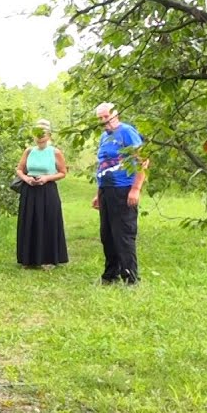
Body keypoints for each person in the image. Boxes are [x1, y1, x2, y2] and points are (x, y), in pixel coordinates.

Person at [91, 102, 148, 285]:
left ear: (115, 114)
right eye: (100, 118)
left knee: (123, 235)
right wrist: (98, 193)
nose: (103, 121)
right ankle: (110, 275)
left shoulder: (127, 132)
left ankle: (131, 278)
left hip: (124, 189)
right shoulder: (104, 137)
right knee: (107, 235)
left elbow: (142, 161)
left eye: (106, 116)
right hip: (106, 190)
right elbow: (102, 165)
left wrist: (136, 189)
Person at [15, 119, 69, 268]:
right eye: (37, 133)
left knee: (48, 221)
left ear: (49, 134)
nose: (40, 136)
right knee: (29, 222)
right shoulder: (29, 151)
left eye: (43, 133)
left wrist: (46, 178)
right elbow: (19, 169)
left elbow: (63, 172)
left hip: (47, 190)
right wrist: (26, 178)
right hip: (30, 190)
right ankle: (28, 258)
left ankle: (48, 259)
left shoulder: (55, 152)